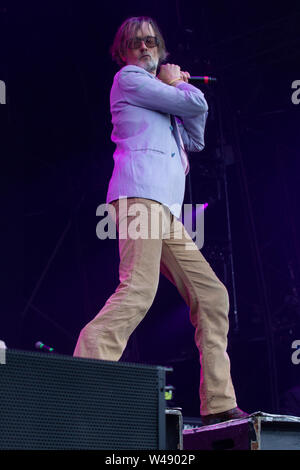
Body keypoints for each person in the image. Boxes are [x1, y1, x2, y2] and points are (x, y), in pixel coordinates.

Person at [73, 16, 248, 425]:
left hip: (164, 210)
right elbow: (196, 104)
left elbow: (197, 137)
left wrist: (175, 88)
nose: (146, 48)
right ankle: (83, 373)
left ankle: (219, 403)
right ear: (124, 53)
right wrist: (177, 83)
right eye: (137, 43)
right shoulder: (130, 80)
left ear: (162, 48)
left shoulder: (162, 95)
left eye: (152, 42)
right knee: (138, 288)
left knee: (212, 296)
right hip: (138, 196)